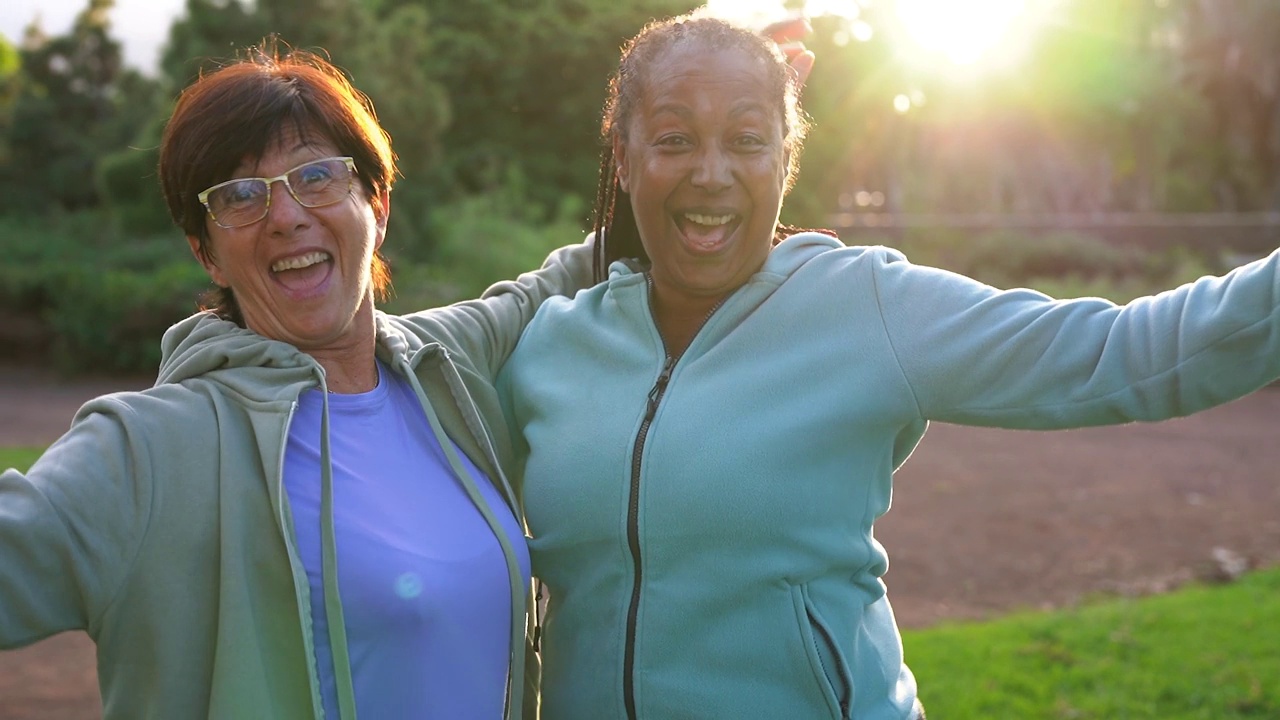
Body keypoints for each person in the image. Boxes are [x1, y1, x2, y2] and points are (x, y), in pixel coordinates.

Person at [497, 12, 1280, 720]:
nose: (712, 172)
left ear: (785, 160)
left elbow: (1120, 355)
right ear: (624, 159)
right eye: (674, 138)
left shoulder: (866, 306)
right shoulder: (549, 344)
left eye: (746, 139)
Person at [0, 46, 593, 719]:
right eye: (240, 196)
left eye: (316, 176)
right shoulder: (151, 451)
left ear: (378, 205)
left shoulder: (445, 363)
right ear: (206, 252)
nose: (285, 216)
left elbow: (573, 271)